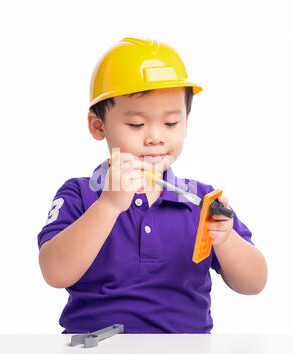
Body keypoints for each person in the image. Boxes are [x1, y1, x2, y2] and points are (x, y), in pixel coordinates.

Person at [37, 37, 267, 334]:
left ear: (186, 122)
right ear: (98, 126)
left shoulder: (201, 200)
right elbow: (55, 272)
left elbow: (255, 283)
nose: (155, 137)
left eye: (171, 123)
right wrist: (107, 206)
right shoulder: (80, 194)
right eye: (136, 125)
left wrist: (226, 239)